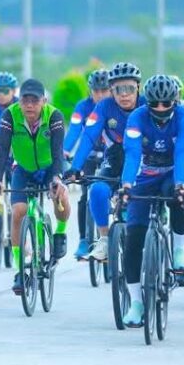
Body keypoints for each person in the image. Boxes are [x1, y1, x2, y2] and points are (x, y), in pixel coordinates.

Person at [118, 75, 184, 327]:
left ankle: (178, 251)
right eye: (155, 104)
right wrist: (127, 185)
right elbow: (131, 154)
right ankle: (137, 304)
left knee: (177, 196)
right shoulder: (137, 117)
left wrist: (182, 185)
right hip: (146, 172)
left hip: (176, 170)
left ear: (174, 101)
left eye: (166, 104)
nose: (160, 109)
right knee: (133, 239)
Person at [0, 78, 70, 295]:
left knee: (61, 197)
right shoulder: (10, 115)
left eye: (35, 101)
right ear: (20, 100)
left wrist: (57, 178)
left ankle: (60, 233)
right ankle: (20, 269)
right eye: (25, 100)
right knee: (18, 212)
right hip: (23, 169)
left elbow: (57, 152)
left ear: (43, 101)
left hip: (49, 167)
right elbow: (3, 151)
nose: (30, 105)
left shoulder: (54, 116)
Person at [63, 62, 145, 263]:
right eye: (118, 89)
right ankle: (104, 239)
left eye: (129, 89)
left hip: (145, 159)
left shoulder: (148, 104)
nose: (124, 94)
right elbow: (89, 136)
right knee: (96, 190)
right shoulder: (103, 107)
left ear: (138, 88)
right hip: (114, 156)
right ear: (112, 91)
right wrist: (74, 166)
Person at [65, 68, 110, 259]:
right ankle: (84, 239)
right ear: (90, 90)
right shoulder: (82, 107)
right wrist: (65, 151)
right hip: (89, 156)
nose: (100, 94)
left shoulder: (114, 106)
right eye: (96, 90)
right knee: (85, 195)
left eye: (104, 90)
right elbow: (75, 130)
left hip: (110, 156)